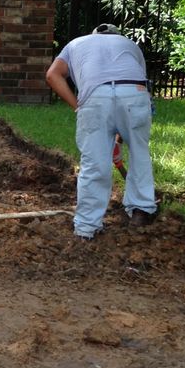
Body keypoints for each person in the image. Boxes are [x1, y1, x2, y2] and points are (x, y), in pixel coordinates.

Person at [45, 23, 158, 240]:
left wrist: (78, 106)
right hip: (134, 93)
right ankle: (141, 210)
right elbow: (135, 84)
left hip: (95, 97)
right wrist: (120, 138)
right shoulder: (129, 44)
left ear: (94, 35)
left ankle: (86, 227)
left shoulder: (75, 44)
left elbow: (52, 75)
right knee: (139, 153)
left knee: (94, 163)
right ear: (116, 36)